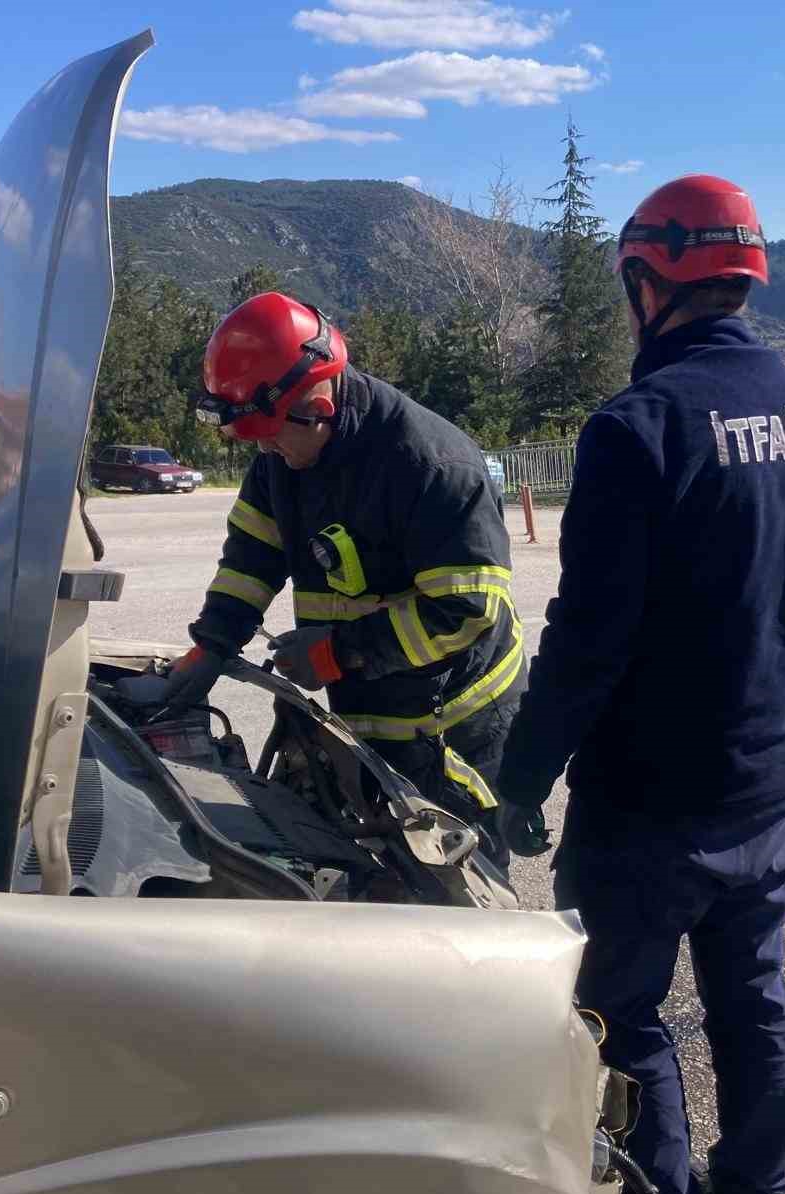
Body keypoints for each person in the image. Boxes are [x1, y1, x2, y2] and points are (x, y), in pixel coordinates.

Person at [494, 175, 785, 1194]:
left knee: (621, 1013)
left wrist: (522, 778)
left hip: (646, 805)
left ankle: (656, 1188)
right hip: (767, 788)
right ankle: (757, 1185)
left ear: (647, 282)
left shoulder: (637, 428)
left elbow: (587, 641)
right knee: (750, 995)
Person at [149, 292, 522, 862]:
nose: (264, 449)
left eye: (270, 434)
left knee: (456, 884)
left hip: (457, 722)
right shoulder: (283, 455)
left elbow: (464, 611)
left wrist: (334, 653)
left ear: (318, 407)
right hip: (370, 707)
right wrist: (213, 644)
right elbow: (250, 557)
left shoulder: (433, 468)